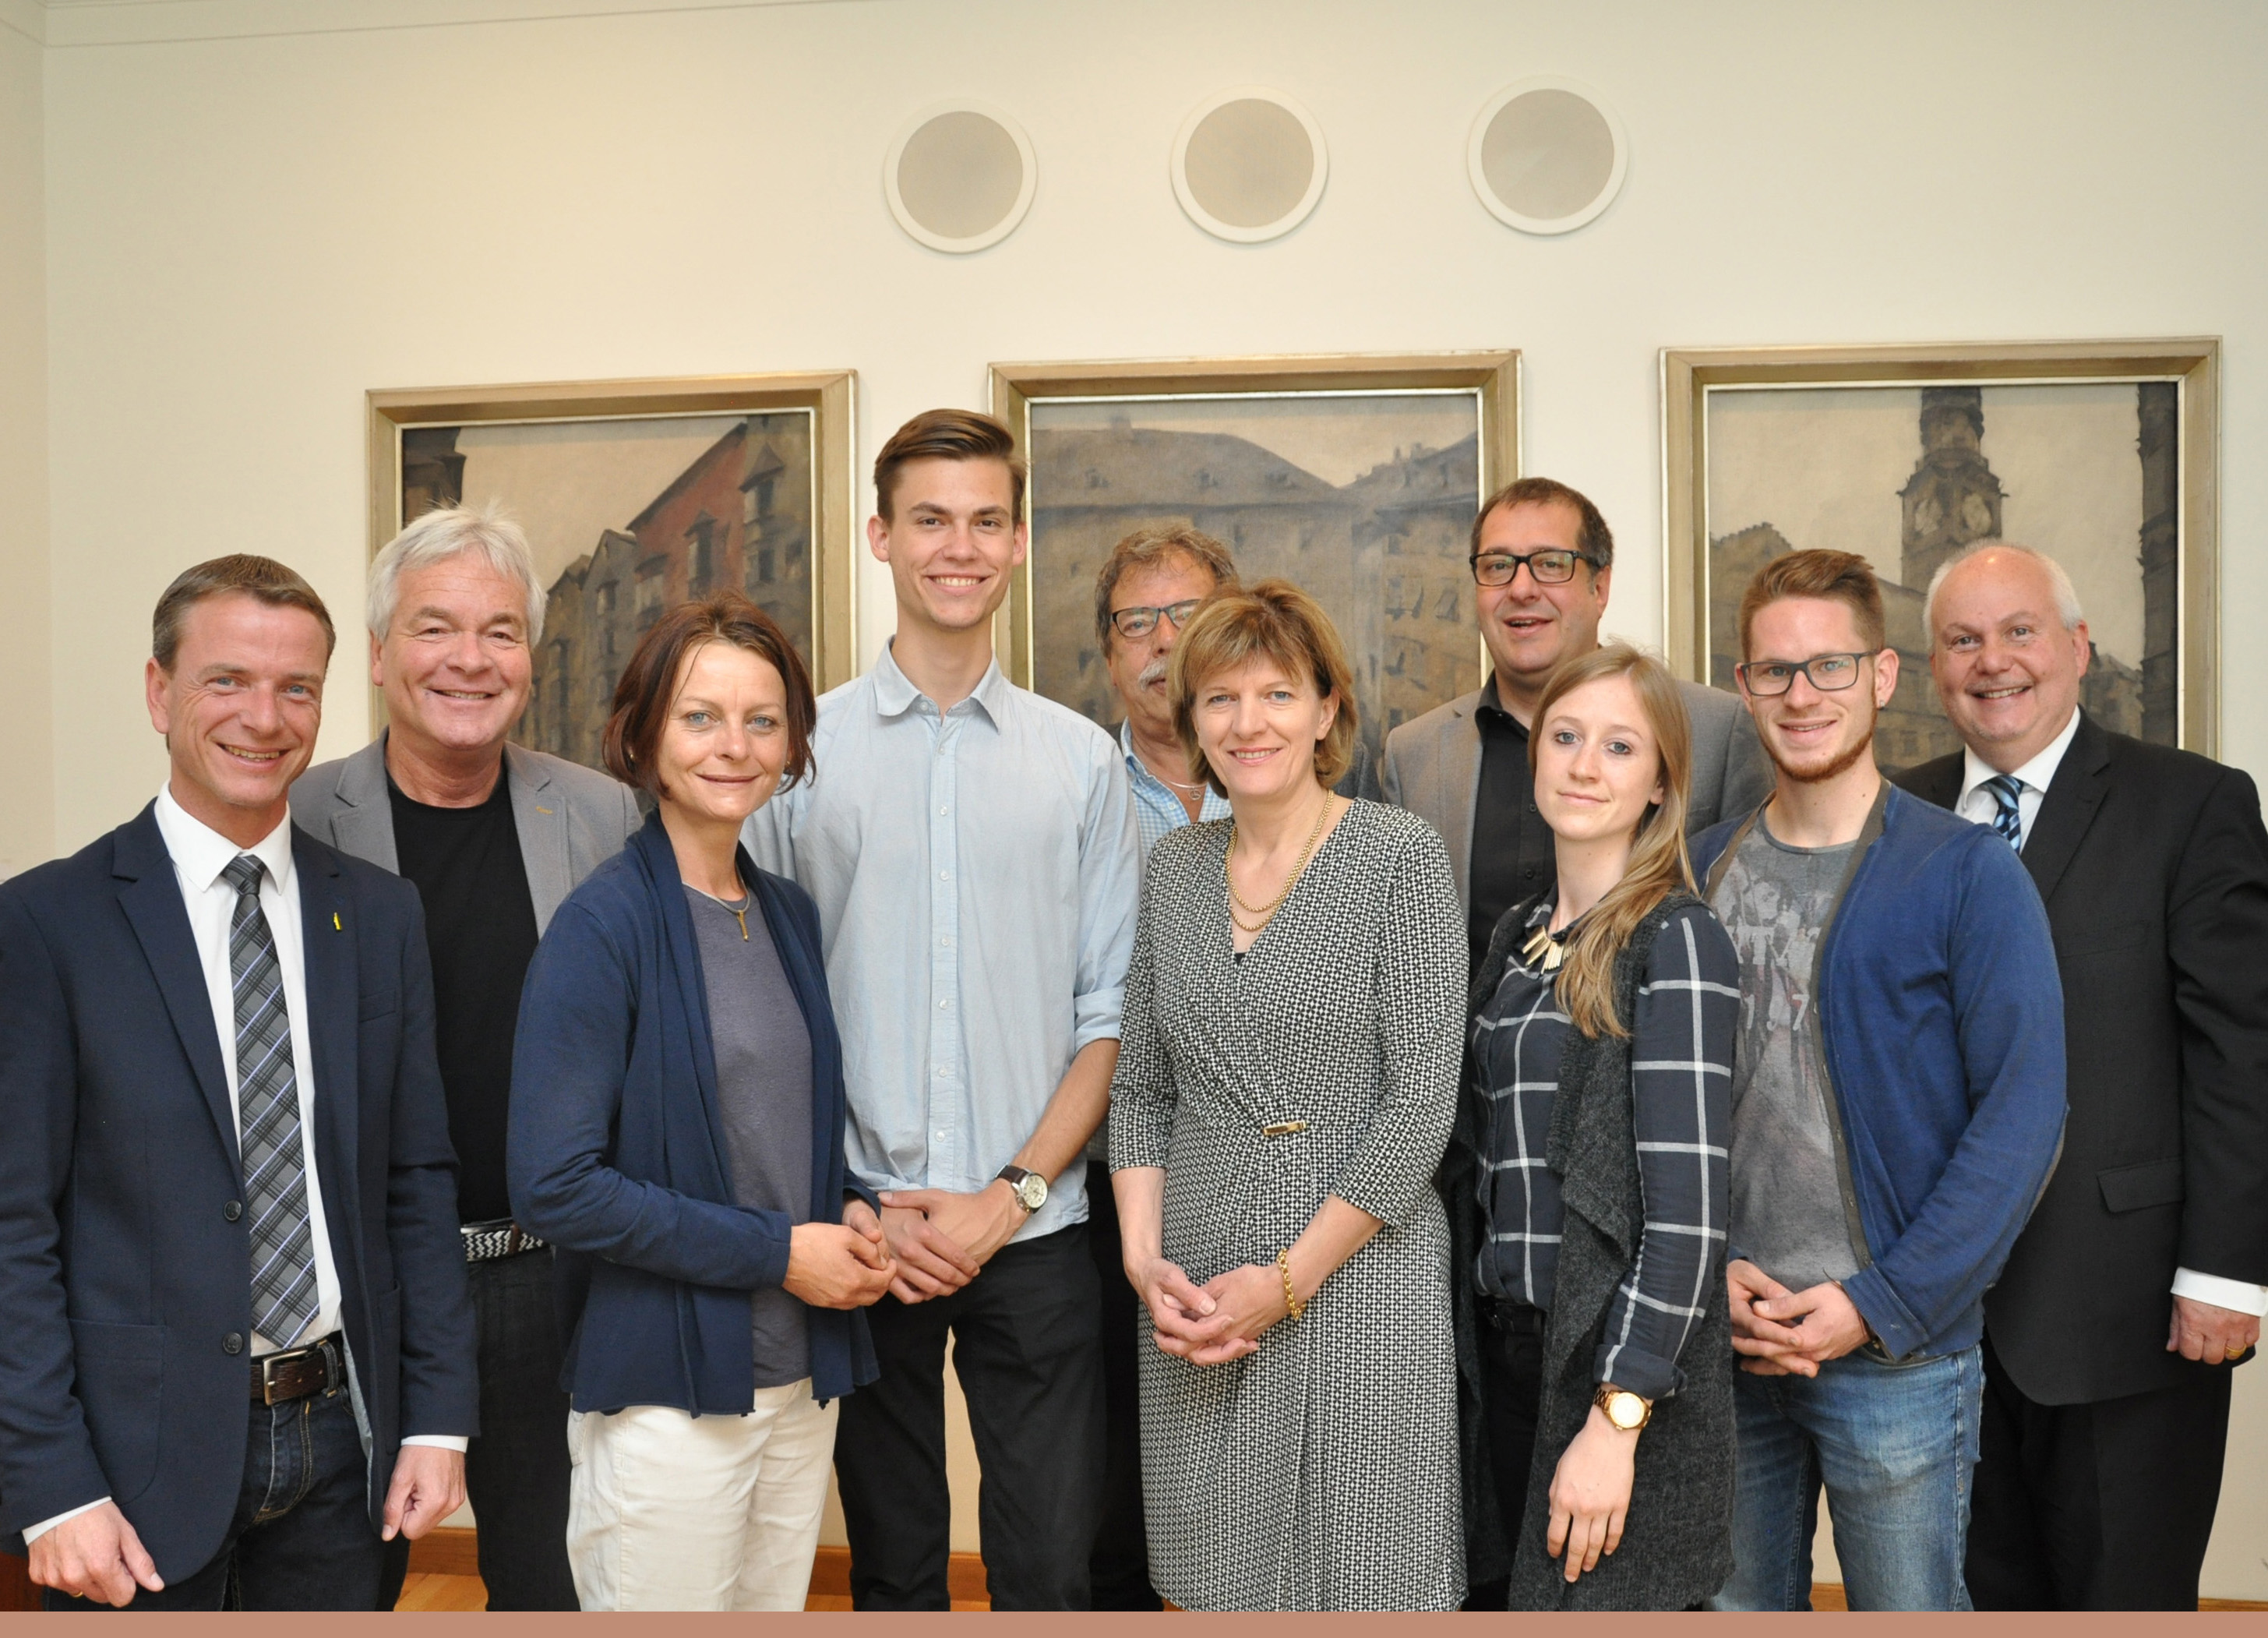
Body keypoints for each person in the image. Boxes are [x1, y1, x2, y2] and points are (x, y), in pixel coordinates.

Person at [0, 556, 475, 1608]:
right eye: (227, 681)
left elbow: (415, 1180)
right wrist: (50, 1483)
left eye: (296, 688)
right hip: (132, 1471)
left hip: (345, 1453)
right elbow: (11, 1226)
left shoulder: (381, 917)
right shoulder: (45, 925)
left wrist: (436, 1417)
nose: (265, 717)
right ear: (160, 692)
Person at [746, 409, 1140, 1611]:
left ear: (1017, 542)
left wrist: (1005, 1195)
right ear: (880, 534)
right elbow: (764, 1006)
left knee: (1046, 1573)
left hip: (1033, 1231)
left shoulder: (1080, 764)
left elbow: (1106, 1015)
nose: (956, 546)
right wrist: (860, 1203)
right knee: (896, 1570)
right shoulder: (795, 757)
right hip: (864, 1234)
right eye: (929, 519)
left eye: (983, 520)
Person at [1891, 542, 2268, 1611]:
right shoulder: (1895, 816)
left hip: (2129, 1307)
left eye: (2018, 631)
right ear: (1932, 666)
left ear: (2075, 648)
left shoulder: (2188, 804)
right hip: (1937, 1324)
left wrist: (2225, 1272)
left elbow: (2240, 1047)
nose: (1991, 661)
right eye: (1962, 639)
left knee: (2122, 1604)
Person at [1692, 549, 2067, 1612]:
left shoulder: (1965, 872)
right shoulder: (1694, 868)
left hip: (1894, 1354)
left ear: (1881, 675)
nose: (1799, 694)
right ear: (1742, 684)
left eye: (1827, 665)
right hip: (1731, 1338)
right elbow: (1646, 1110)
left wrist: (1878, 1302)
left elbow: (2023, 1116)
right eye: (1772, 671)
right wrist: (1703, 1274)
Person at [509, 592, 892, 1611]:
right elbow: (555, 1187)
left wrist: (847, 1204)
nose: (735, 745)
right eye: (699, 716)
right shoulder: (602, 927)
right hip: (664, 1397)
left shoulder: (782, 912)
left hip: (795, 1382)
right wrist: (780, 1251)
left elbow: (780, 1124)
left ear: (792, 742)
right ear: (639, 734)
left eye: (762, 720)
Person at [292, 505, 641, 1612]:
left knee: (554, 1585)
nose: (468, 659)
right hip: (367, 1286)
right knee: (339, 1583)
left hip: (551, 1273)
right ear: (383, 652)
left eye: (499, 631)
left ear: (528, 660)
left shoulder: (597, 814)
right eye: (435, 628)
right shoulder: (298, 816)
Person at [1109, 580, 1466, 1612]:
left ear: (1324, 709)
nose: (1247, 722)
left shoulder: (1397, 855)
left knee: (1369, 1577)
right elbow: (1138, 1089)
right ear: (1191, 722)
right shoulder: (1174, 868)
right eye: (1218, 698)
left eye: (1275, 693)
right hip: (1195, 1281)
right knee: (1213, 1577)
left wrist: (1287, 1278)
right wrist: (1144, 1266)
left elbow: (1416, 1112)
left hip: (1359, 1270)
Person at [1444, 644, 1740, 1610]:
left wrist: (1617, 1419)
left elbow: (1688, 1221)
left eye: (1619, 747)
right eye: (1564, 738)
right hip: (1510, 1352)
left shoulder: (1676, 937)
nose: (1583, 764)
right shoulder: (1519, 936)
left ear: (1660, 783)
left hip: (1612, 1370)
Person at [1383, 477, 1773, 970]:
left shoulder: (1715, 730)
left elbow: (1749, 932)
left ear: (1600, 586)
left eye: (1550, 564)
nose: (1521, 589)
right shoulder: (1413, 754)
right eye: (1498, 566)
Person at [1085, 522, 1239, 1610]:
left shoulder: (1302, 790)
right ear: (1105, 650)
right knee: (1114, 1473)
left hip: (1260, 1175)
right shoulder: (1073, 787)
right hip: (1107, 1179)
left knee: (1251, 1454)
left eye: (1182, 616)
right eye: (1133, 621)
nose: (1158, 642)